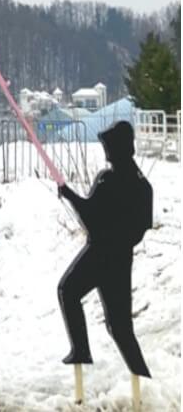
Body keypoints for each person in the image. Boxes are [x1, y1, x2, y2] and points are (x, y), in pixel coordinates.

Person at [57, 120, 152, 377]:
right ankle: (142, 376)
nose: (105, 151)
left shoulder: (108, 180)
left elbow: (90, 218)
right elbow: (142, 227)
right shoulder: (143, 185)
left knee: (68, 290)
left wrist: (68, 194)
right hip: (121, 260)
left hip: (98, 256)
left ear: (119, 147)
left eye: (108, 146)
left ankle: (82, 349)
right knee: (121, 327)